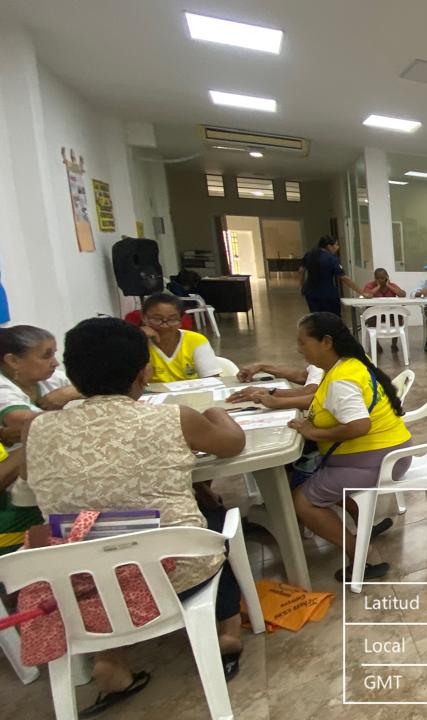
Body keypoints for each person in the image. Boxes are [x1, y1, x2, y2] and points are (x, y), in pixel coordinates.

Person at [20, 317, 249, 712]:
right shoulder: (173, 417)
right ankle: (227, 630)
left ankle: (110, 660)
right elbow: (232, 443)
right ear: (144, 372)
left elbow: (29, 476)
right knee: (213, 522)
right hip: (172, 575)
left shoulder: (36, 428)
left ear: (72, 376)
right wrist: (215, 411)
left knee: (101, 542)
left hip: (78, 582)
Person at [287, 312, 413, 583]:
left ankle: (361, 558)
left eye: (303, 342)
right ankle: (364, 524)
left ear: (326, 342)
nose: (298, 349)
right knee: (318, 481)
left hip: (379, 459)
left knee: (303, 501)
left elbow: (359, 426)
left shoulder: (342, 379)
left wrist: (314, 432)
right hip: (388, 451)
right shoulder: (347, 364)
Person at [0, 325, 81, 444]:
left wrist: (71, 392)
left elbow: (104, 387)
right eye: (46, 356)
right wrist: (85, 416)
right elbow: (25, 422)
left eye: (54, 354)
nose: (55, 363)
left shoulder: (52, 377)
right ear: (13, 361)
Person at [139, 293, 221, 382]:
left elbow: (213, 381)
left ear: (181, 320)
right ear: (144, 318)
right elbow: (137, 383)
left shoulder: (196, 341)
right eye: (157, 319)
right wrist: (140, 342)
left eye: (172, 320)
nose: (164, 326)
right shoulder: (134, 341)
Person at [301, 236, 365, 315]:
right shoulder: (331, 259)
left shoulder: (309, 255)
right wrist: (362, 292)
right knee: (332, 317)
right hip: (327, 295)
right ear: (329, 246)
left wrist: (302, 284)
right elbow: (344, 278)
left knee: (316, 317)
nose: (338, 247)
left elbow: (301, 270)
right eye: (336, 245)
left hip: (311, 294)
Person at [361, 267, 408, 356]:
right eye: (377, 278)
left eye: (382, 278)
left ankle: (394, 344)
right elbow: (366, 294)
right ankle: (376, 344)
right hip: (375, 313)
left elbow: (403, 294)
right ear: (375, 278)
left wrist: (388, 285)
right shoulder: (370, 285)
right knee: (371, 319)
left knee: (398, 318)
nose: (380, 280)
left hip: (390, 312)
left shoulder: (391, 285)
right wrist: (377, 287)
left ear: (387, 277)